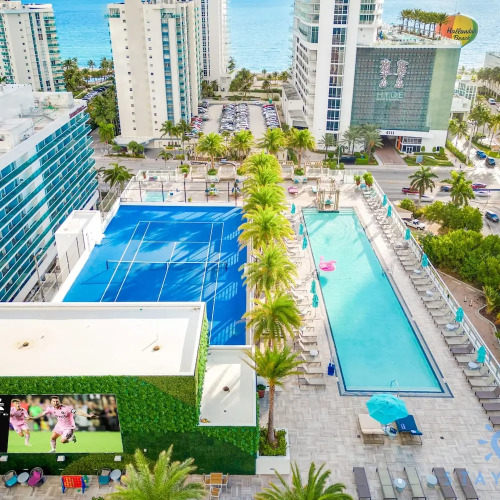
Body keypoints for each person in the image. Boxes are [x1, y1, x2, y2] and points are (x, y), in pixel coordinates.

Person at [28, 396, 96, 453]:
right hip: (59, 426)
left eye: (57, 401)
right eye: (54, 401)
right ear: (51, 402)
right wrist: (33, 417)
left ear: (59, 401)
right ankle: (53, 449)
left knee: (62, 441)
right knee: (52, 438)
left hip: (68, 427)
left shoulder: (66, 408)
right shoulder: (50, 408)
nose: (55, 403)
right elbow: (42, 413)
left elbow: (77, 412)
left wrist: (88, 415)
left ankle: (71, 438)